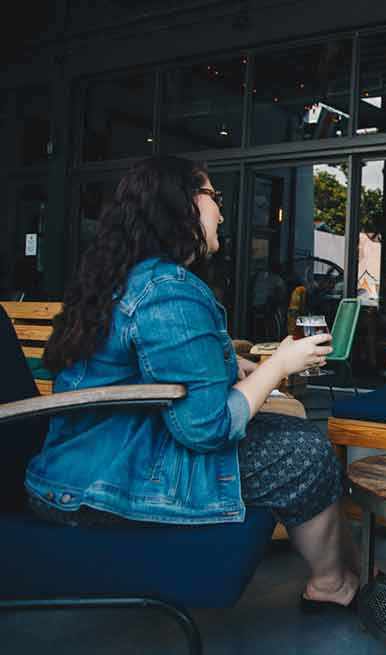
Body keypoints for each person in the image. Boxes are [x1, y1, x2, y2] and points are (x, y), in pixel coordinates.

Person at [28, 156, 360, 611]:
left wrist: (236, 365)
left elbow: (152, 372)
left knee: (289, 434)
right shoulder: (168, 290)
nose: (221, 212)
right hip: (100, 485)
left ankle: (341, 573)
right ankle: (332, 584)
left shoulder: (130, 277)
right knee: (306, 451)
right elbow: (205, 428)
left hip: (77, 468)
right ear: (181, 204)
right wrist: (278, 364)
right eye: (214, 197)